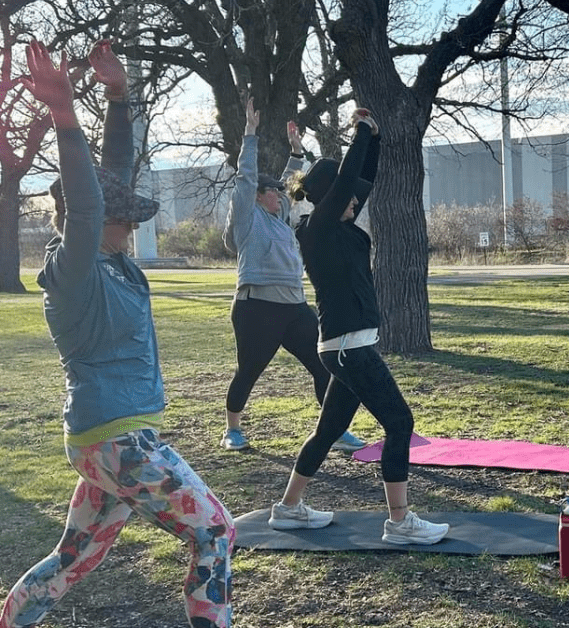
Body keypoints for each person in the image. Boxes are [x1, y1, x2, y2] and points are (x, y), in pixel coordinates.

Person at [1, 41, 233, 628]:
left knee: (75, 556)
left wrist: (119, 98)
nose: (132, 223)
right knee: (215, 532)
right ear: (95, 220)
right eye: (122, 216)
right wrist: (62, 116)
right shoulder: (76, 270)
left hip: (106, 439)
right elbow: (87, 200)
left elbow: (111, 178)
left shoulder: (115, 261)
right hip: (117, 440)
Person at [268, 108, 449, 545]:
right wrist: (361, 132)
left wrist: (376, 139)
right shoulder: (318, 229)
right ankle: (400, 522)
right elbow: (349, 179)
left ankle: (288, 508)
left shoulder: (339, 224)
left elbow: (360, 179)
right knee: (400, 423)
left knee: (329, 431)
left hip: (345, 346)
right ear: (332, 195)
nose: (356, 201)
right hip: (349, 347)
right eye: (347, 196)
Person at [220, 98, 365, 452]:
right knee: (249, 370)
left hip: (295, 308)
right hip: (256, 307)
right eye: (271, 191)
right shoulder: (247, 218)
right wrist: (250, 134)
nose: (279, 194)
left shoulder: (281, 217)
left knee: (323, 366)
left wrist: (297, 151)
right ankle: (232, 430)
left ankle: (334, 430)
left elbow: (291, 183)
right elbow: (245, 178)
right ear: (257, 197)